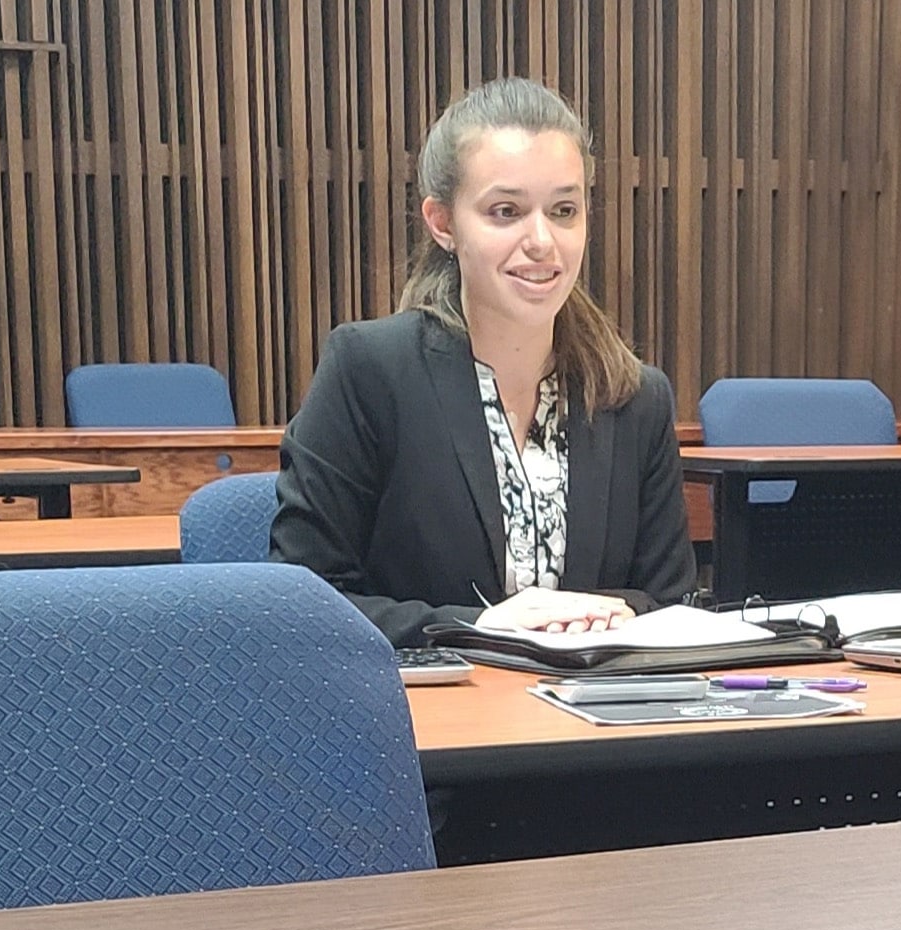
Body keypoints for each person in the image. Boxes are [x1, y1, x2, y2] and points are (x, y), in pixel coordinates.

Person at [272, 77, 696, 647]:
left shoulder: (636, 397)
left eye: (564, 210)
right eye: (506, 211)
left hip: (598, 718)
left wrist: (612, 615)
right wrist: (477, 626)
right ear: (443, 224)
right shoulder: (369, 370)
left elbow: (671, 601)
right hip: (430, 720)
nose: (542, 240)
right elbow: (301, 598)